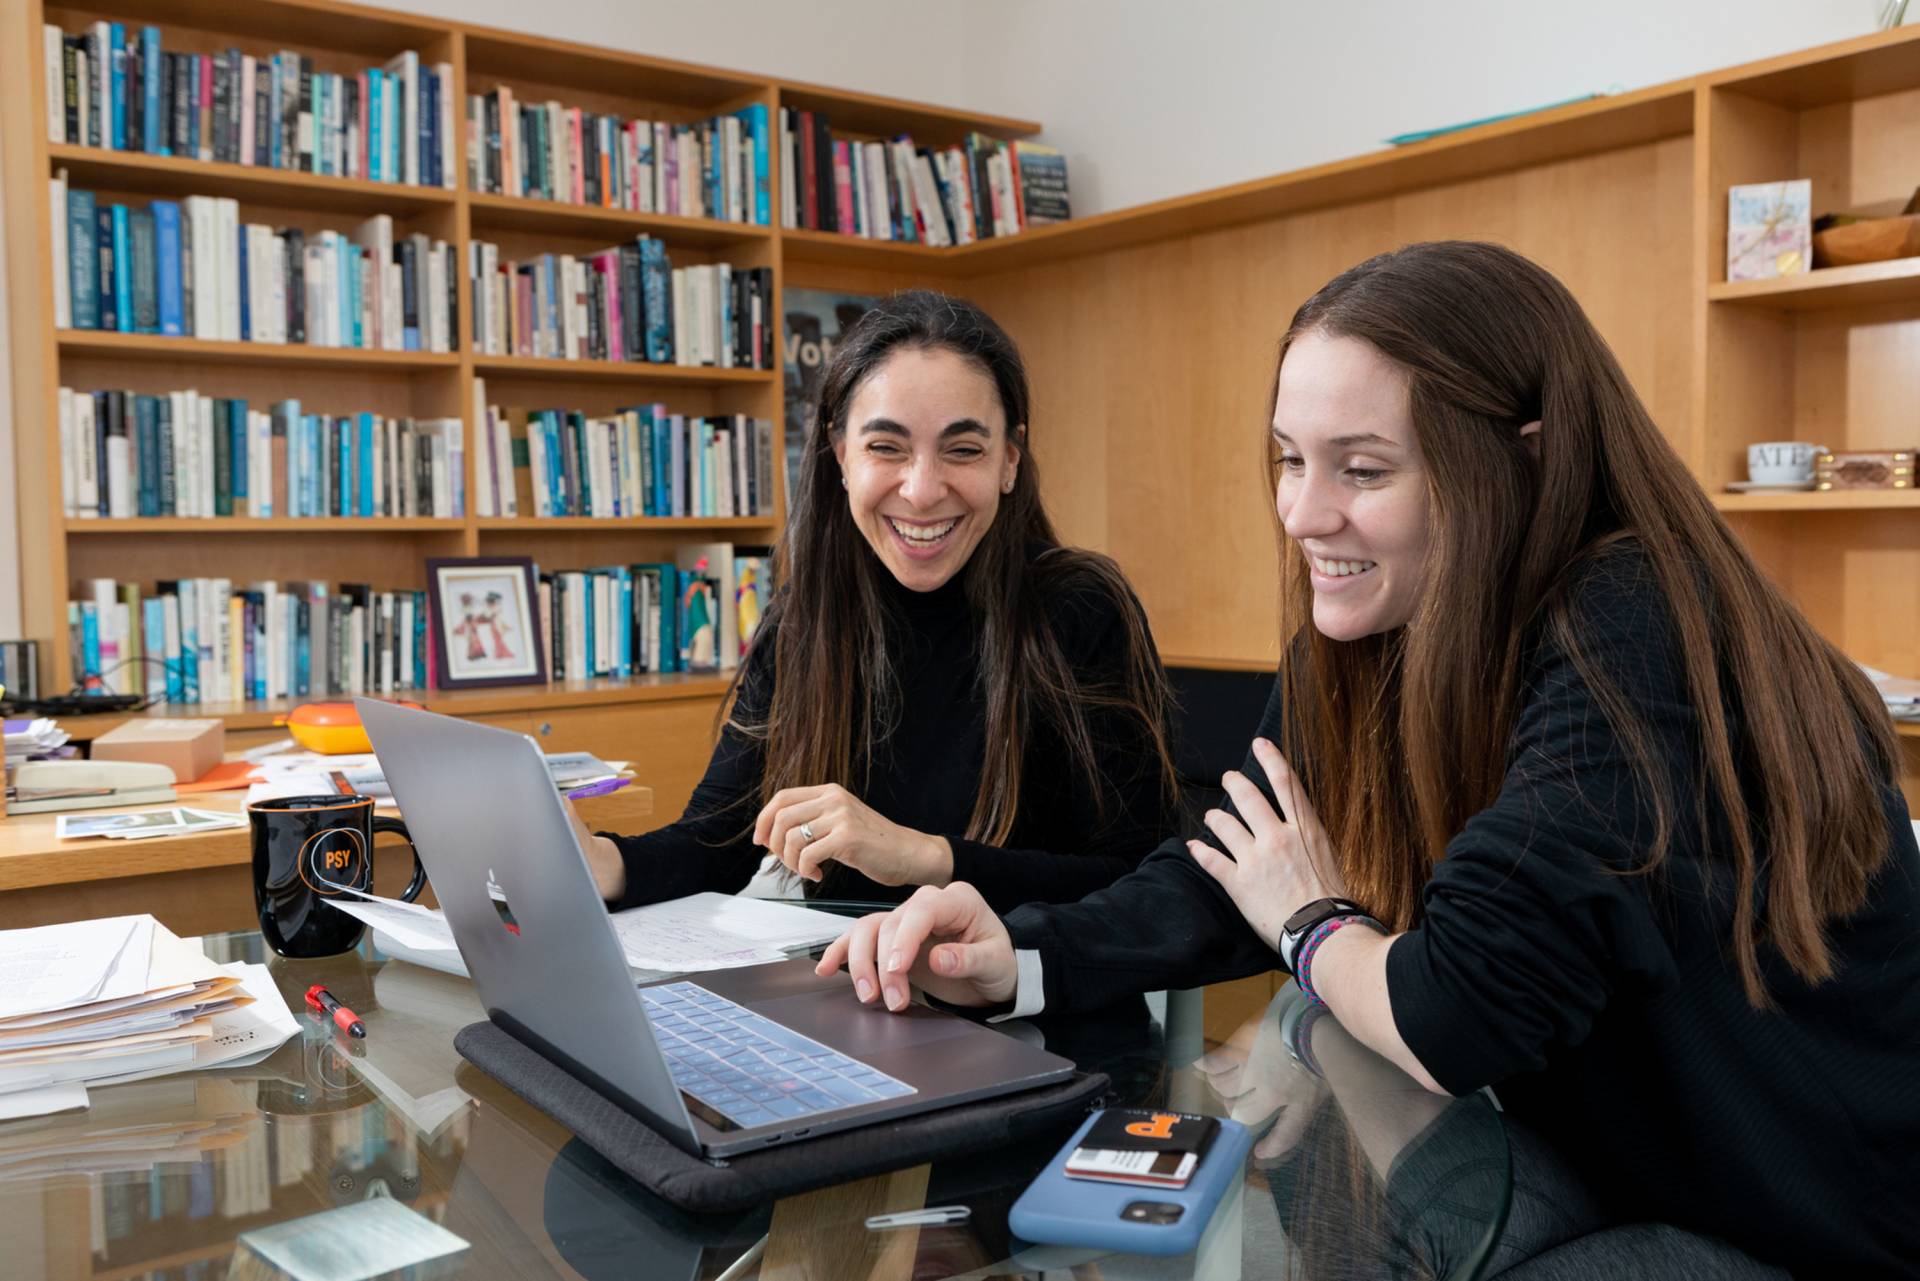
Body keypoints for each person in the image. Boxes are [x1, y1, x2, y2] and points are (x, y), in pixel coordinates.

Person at [820, 243, 1920, 1277]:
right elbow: (1239, 862)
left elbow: (1450, 1011)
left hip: (1798, 1226)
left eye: (1363, 468)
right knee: (1316, 1132)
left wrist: (1312, 926)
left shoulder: (1634, 619)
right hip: (1611, 1161)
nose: (1304, 513)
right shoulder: (1381, 619)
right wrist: (1019, 953)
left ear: (1523, 459)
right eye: (1290, 460)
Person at [573, 290, 1182, 913]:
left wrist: (924, 858)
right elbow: (720, 841)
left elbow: (1144, 883)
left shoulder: (1081, 608)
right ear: (841, 456)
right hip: (842, 971)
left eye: (963, 449)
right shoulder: (804, 617)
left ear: (1009, 460)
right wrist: (598, 863)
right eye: (886, 447)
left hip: (1020, 977)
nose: (921, 490)